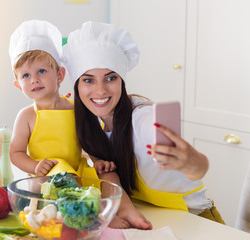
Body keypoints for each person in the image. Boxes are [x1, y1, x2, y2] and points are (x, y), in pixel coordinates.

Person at [62, 21, 225, 229]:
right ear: (77, 86)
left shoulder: (141, 118)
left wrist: (191, 163)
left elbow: (199, 167)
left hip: (197, 221)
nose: (100, 90)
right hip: (156, 219)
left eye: (110, 78)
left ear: (122, 80)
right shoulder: (94, 126)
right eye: (88, 80)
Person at [8, 20, 97, 178]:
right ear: (19, 85)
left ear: (60, 75)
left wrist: (99, 161)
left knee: (110, 180)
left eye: (41, 71)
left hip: (77, 174)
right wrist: (35, 166)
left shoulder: (77, 109)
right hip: (43, 179)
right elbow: (16, 153)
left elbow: (91, 144)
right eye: (26, 75)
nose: (34, 79)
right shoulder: (26, 116)